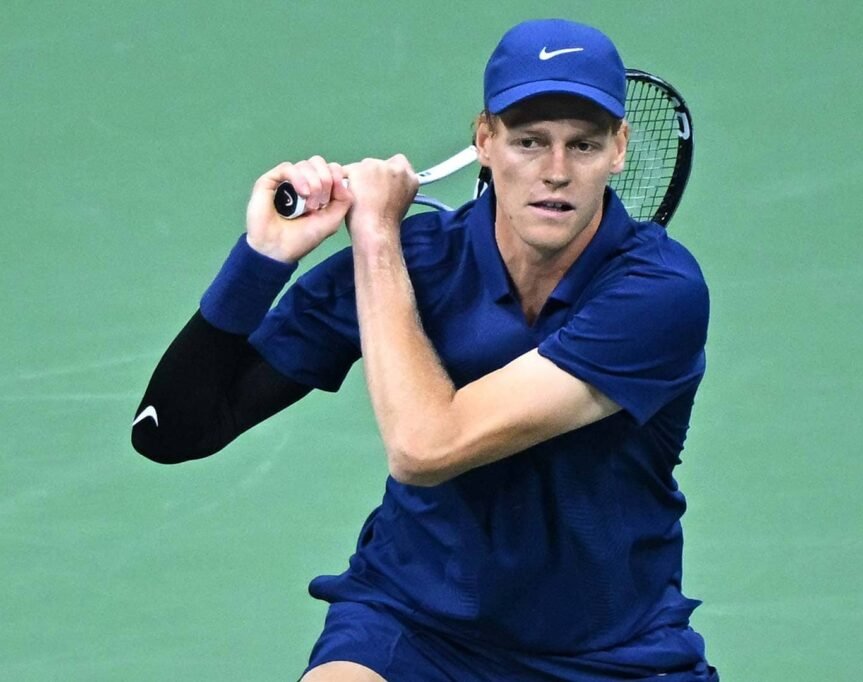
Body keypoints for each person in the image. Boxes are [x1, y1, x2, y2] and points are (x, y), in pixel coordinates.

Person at [132, 17, 717, 682]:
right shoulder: (422, 263)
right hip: (415, 627)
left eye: (582, 145)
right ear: (485, 140)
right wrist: (262, 258)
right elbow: (170, 433)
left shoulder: (657, 292)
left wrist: (376, 237)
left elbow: (424, 448)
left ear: (618, 149)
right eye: (529, 141)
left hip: (611, 653)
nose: (556, 172)